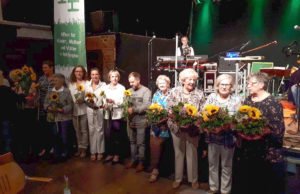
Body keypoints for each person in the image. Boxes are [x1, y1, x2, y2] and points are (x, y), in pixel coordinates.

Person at [232, 72, 286, 194]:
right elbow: (241, 120)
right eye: (248, 83)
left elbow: (278, 130)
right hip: (247, 149)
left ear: (261, 85)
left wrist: (259, 134)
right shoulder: (247, 100)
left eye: (252, 83)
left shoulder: (273, 103)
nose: (249, 86)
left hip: (265, 150)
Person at [167, 68, 205, 189]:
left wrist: (195, 120)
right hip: (176, 128)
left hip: (192, 129)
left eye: (194, 80)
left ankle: (193, 180)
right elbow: (169, 108)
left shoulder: (199, 93)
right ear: (183, 80)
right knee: (178, 153)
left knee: (192, 154)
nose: (191, 82)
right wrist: (176, 118)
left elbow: (203, 110)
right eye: (189, 79)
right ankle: (178, 179)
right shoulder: (174, 91)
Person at [204, 74, 241, 194]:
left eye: (227, 85)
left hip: (228, 138)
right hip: (212, 137)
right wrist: (210, 126)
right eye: (222, 84)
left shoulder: (236, 99)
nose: (224, 87)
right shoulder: (211, 97)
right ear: (217, 85)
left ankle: (225, 190)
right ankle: (213, 188)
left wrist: (228, 125)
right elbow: (204, 114)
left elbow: (240, 119)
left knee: (226, 166)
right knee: (212, 165)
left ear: (231, 87)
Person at [149, 75, 173, 182]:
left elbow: (174, 109)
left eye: (164, 83)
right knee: (154, 147)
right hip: (156, 125)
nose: (162, 85)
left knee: (166, 148)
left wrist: (165, 118)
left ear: (168, 84)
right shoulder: (156, 94)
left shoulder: (173, 94)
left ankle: (164, 170)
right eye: (160, 83)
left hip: (168, 125)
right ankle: (155, 169)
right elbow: (152, 108)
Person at [125, 72, 152, 172]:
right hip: (131, 121)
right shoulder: (128, 91)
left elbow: (147, 105)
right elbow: (125, 104)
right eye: (129, 82)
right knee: (132, 142)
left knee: (141, 143)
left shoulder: (146, 91)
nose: (131, 84)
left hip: (142, 121)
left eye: (132, 82)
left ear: (138, 80)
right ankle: (133, 160)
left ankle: (141, 163)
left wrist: (134, 110)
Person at [44, 73, 73, 163]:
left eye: (56, 80)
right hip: (53, 118)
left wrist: (63, 109)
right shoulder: (50, 91)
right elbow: (45, 103)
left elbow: (71, 104)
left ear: (62, 81)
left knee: (63, 136)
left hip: (63, 118)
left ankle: (64, 153)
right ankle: (56, 154)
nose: (54, 82)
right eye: (53, 80)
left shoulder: (66, 91)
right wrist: (48, 108)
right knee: (54, 136)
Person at [102, 70, 125, 165]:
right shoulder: (106, 87)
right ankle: (110, 154)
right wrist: (105, 104)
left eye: (116, 76)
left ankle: (117, 154)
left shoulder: (121, 88)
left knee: (117, 135)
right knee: (108, 135)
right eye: (112, 76)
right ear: (109, 78)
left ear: (118, 78)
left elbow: (123, 102)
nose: (114, 78)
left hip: (117, 115)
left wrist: (114, 101)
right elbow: (103, 98)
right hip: (108, 114)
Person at [85, 67, 106, 161]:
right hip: (90, 109)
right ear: (90, 75)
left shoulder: (103, 85)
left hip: (99, 109)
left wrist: (103, 104)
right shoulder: (87, 85)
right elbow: (85, 97)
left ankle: (100, 151)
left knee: (100, 130)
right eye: (93, 74)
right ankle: (93, 152)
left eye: (96, 74)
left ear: (99, 75)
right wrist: (89, 100)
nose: (94, 76)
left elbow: (105, 97)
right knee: (91, 130)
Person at [68, 65, 88, 158]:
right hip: (74, 110)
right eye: (76, 71)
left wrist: (83, 100)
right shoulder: (71, 84)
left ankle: (84, 149)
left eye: (80, 71)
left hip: (84, 109)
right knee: (77, 131)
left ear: (83, 73)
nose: (78, 73)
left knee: (84, 130)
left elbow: (90, 97)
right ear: (74, 73)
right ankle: (79, 148)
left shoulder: (87, 83)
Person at [36, 60, 55, 158]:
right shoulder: (41, 79)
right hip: (43, 108)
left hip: (53, 108)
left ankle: (53, 148)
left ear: (51, 68)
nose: (44, 70)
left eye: (46, 68)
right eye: (43, 68)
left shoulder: (56, 78)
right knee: (44, 128)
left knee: (53, 129)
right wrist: (37, 101)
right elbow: (37, 92)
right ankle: (45, 148)